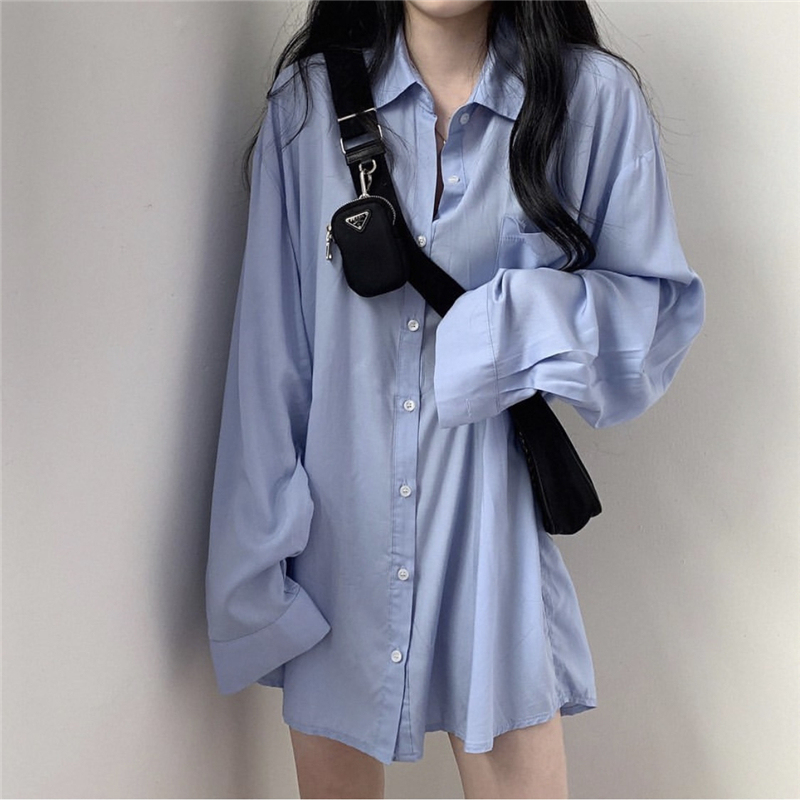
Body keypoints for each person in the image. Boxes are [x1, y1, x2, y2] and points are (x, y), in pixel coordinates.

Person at [204, 1, 706, 797]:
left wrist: (510, 320)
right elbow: (269, 366)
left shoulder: (591, 101)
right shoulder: (306, 109)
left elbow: (656, 319)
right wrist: (253, 583)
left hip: (493, 555)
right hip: (337, 557)